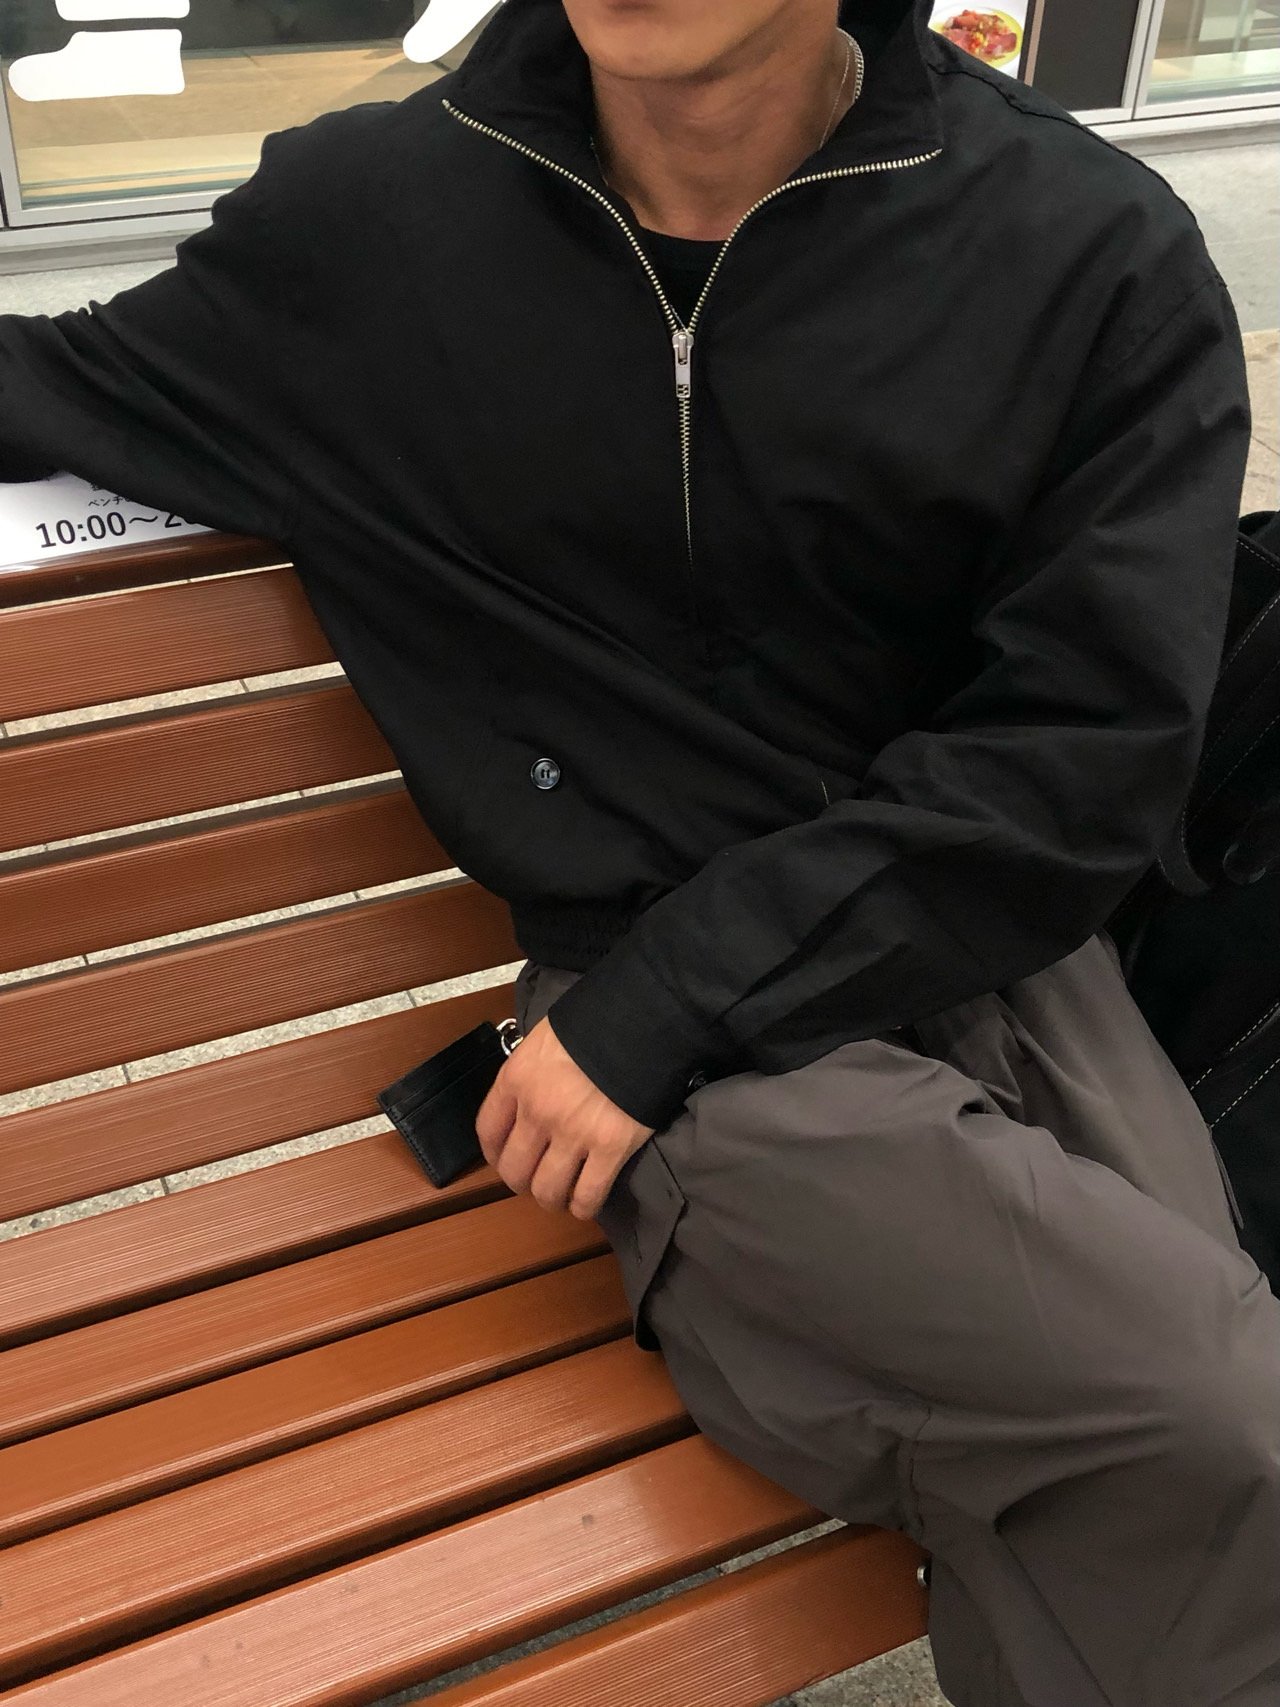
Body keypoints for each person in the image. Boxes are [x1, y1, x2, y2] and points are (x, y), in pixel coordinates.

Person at [1, 1, 1277, 1700]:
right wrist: (653, 1015)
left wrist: (692, 991)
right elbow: (59, 387)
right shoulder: (379, 225)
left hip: (991, 948)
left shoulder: (1080, 248)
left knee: (1212, 1415)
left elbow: (1088, 750)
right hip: (662, 1046)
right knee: (1208, 1421)